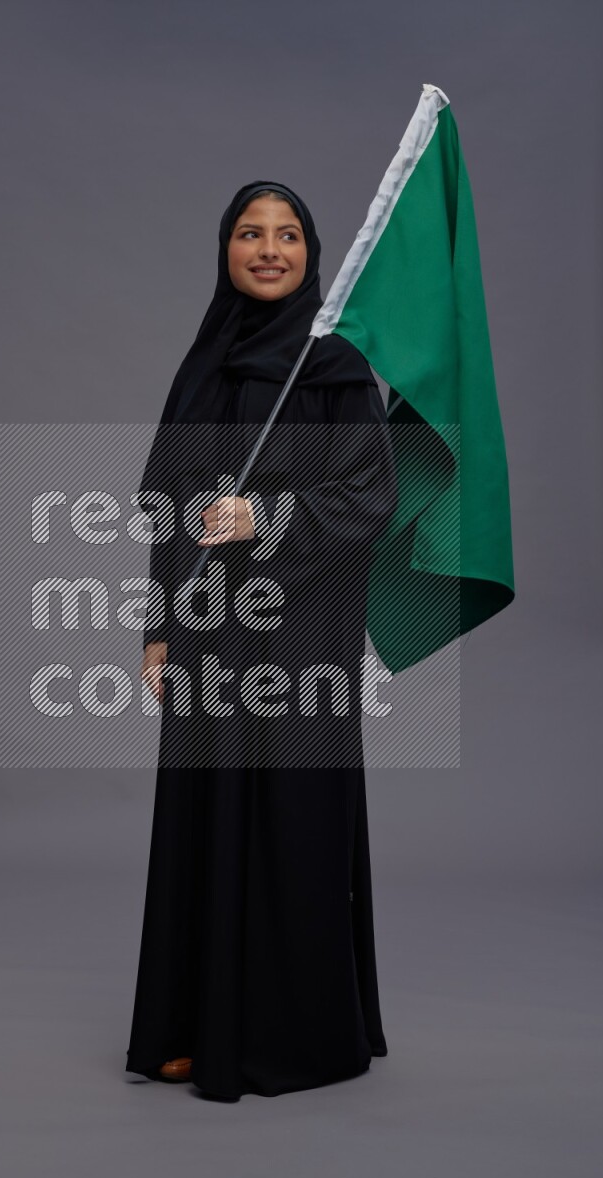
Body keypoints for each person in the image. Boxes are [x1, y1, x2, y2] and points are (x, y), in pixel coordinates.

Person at [125, 180, 398, 1101]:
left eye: (287, 235)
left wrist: (265, 513)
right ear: (226, 249)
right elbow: (166, 506)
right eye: (250, 233)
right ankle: (196, 1022)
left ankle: (293, 1034)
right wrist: (159, 628)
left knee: (287, 821)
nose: (268, 249)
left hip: (300, 641)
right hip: (208, 637)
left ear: (314, 253)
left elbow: (371, 498)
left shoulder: (339, 364)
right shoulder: (205, 362)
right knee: (206, 815)